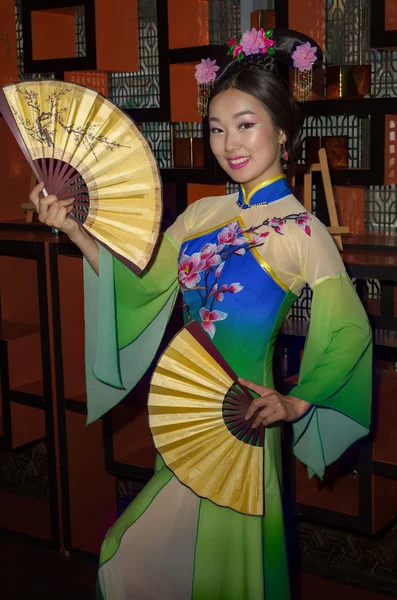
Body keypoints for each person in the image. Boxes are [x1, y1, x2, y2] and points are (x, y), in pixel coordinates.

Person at [30, 28, 372, 600]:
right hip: (185, 414)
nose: (228, 143)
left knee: (216, 572)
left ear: (282, 132)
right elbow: (140, 285)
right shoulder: (201, 213)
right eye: (216, 128)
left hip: (240, 425)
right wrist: (72, 228)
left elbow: (347, 326)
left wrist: (297, 399)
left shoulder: (303, 230)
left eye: (245, 124)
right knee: (130, 561)